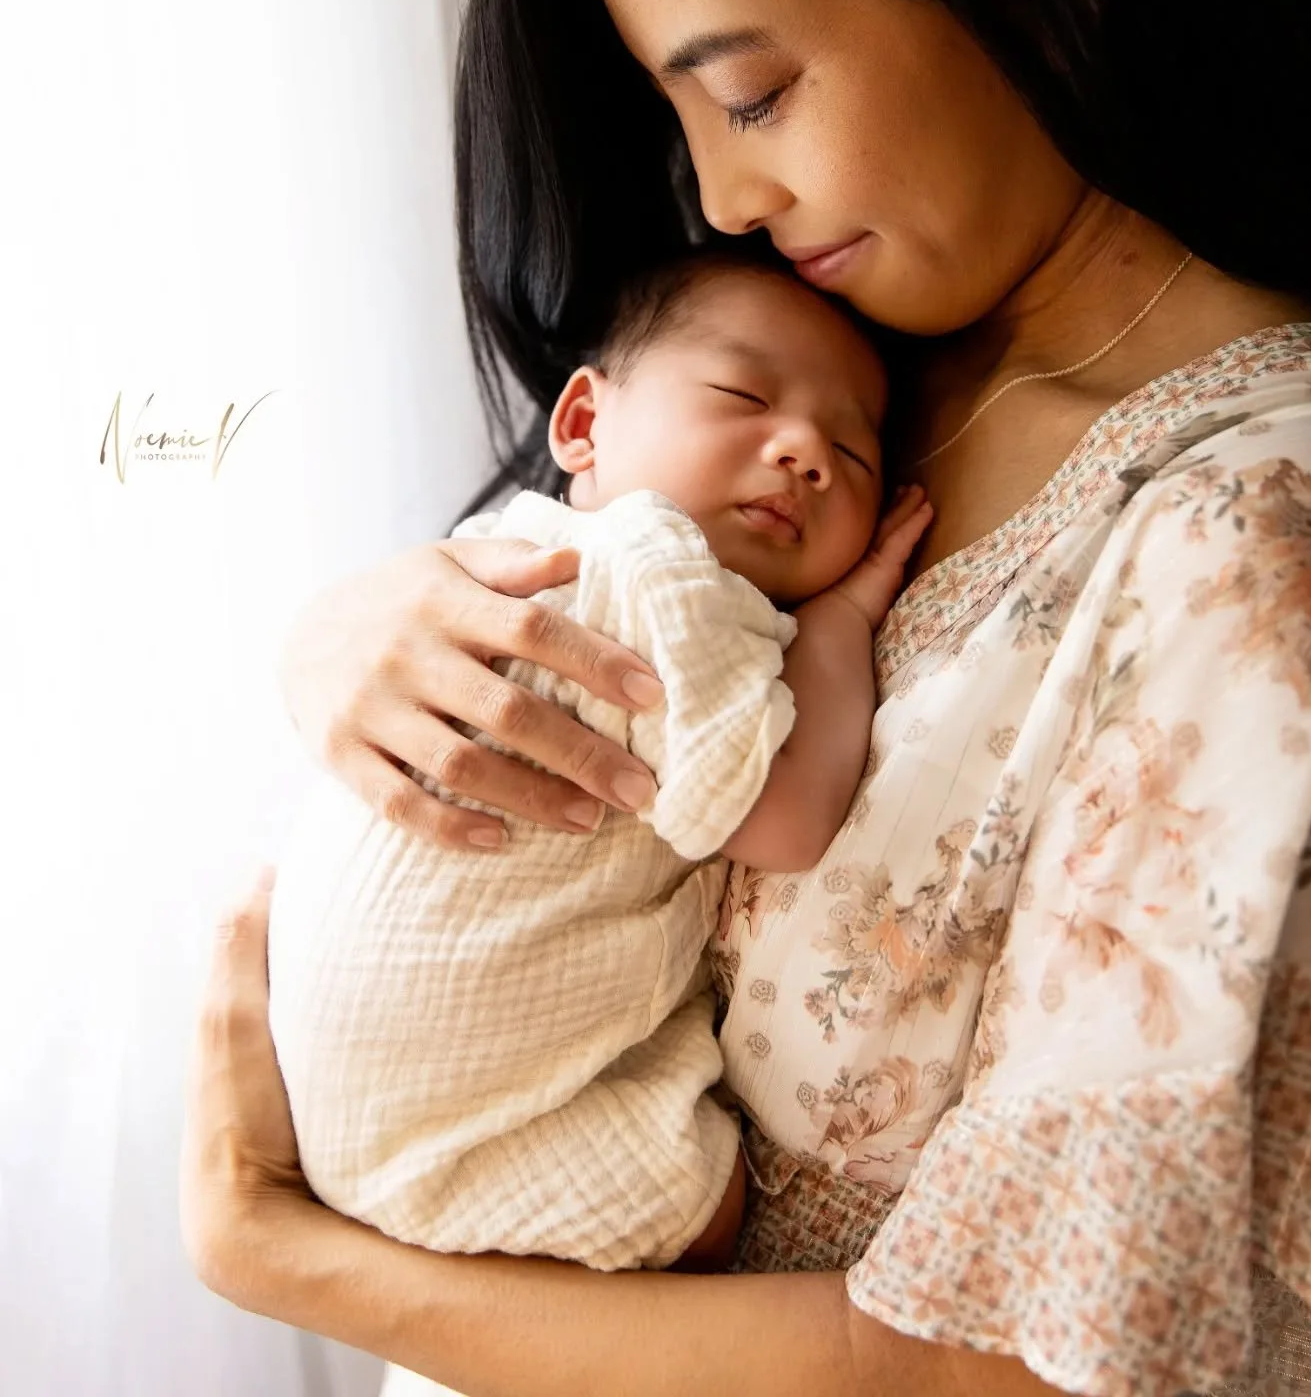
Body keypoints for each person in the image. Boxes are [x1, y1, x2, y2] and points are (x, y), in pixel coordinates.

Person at [180, 0, 1311, 1397]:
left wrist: (288, 1258)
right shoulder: (848, 381)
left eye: (755, 91)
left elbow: (1006, 1369)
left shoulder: (1279, 541)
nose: (723, 192)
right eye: (678, 121)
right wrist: (354, 634)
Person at [264, 248, 932, 1276]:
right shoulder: (662, 569)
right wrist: (841, 623)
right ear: (581, 423)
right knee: (711, 1212)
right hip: (463, 1126)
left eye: (852, 453)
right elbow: (785, 822)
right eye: (741, 395)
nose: (803, 448)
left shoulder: (502, 549)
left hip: (330, 1085)